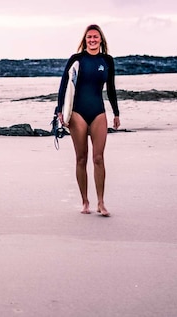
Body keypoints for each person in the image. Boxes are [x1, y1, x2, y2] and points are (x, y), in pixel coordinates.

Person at [55, 25, 120, 217]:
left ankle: (101, 202)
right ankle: (85, 201)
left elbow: (111, 88)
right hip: (78, 113)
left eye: (95, 37)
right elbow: (64, 85)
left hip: (98, 112)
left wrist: (116, 113)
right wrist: (60, 110)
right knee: (81, 158)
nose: (92, 40)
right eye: (89, 37)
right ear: (85, 40)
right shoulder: (77, 60)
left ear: (101, 40)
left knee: (98, 158)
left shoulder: (106, 60)